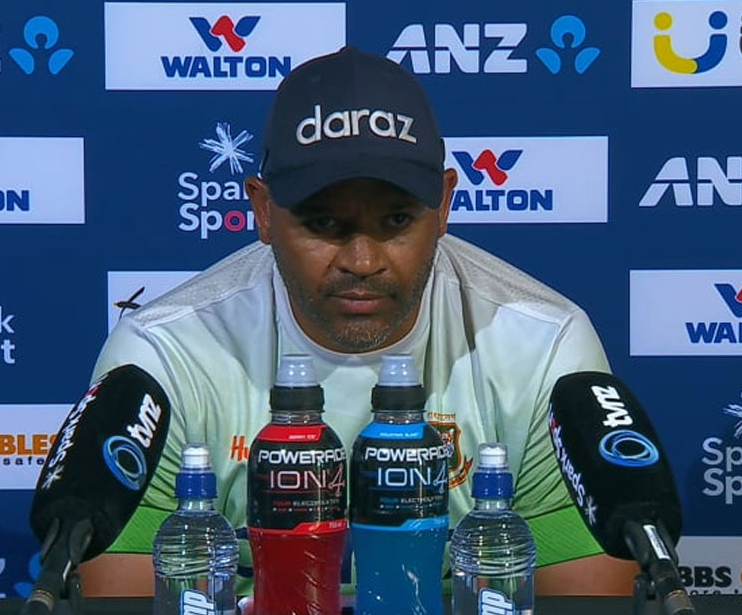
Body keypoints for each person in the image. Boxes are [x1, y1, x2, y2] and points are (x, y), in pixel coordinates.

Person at [79, 46, 637, 597]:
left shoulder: (542, 345)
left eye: (396, 220)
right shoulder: (164, 352)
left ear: (444, 204)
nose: (363, 262)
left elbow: (587, 599)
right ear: (263, 211)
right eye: (324, 223)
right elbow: (124, 599)